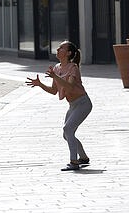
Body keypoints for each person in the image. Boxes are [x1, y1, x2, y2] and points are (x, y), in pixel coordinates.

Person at [26, 41, 92, 171]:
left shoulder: (73, 68)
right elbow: (53, 91)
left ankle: (74, 162)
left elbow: (70, 87)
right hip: (72, 105)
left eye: (61, 48)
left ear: (68, 53)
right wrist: (40, 84)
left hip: (83, 103)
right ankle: (83, 158)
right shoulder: (57, 68)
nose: (58, 49)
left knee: (68, 130)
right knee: (66, 133)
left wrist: (55, 77)